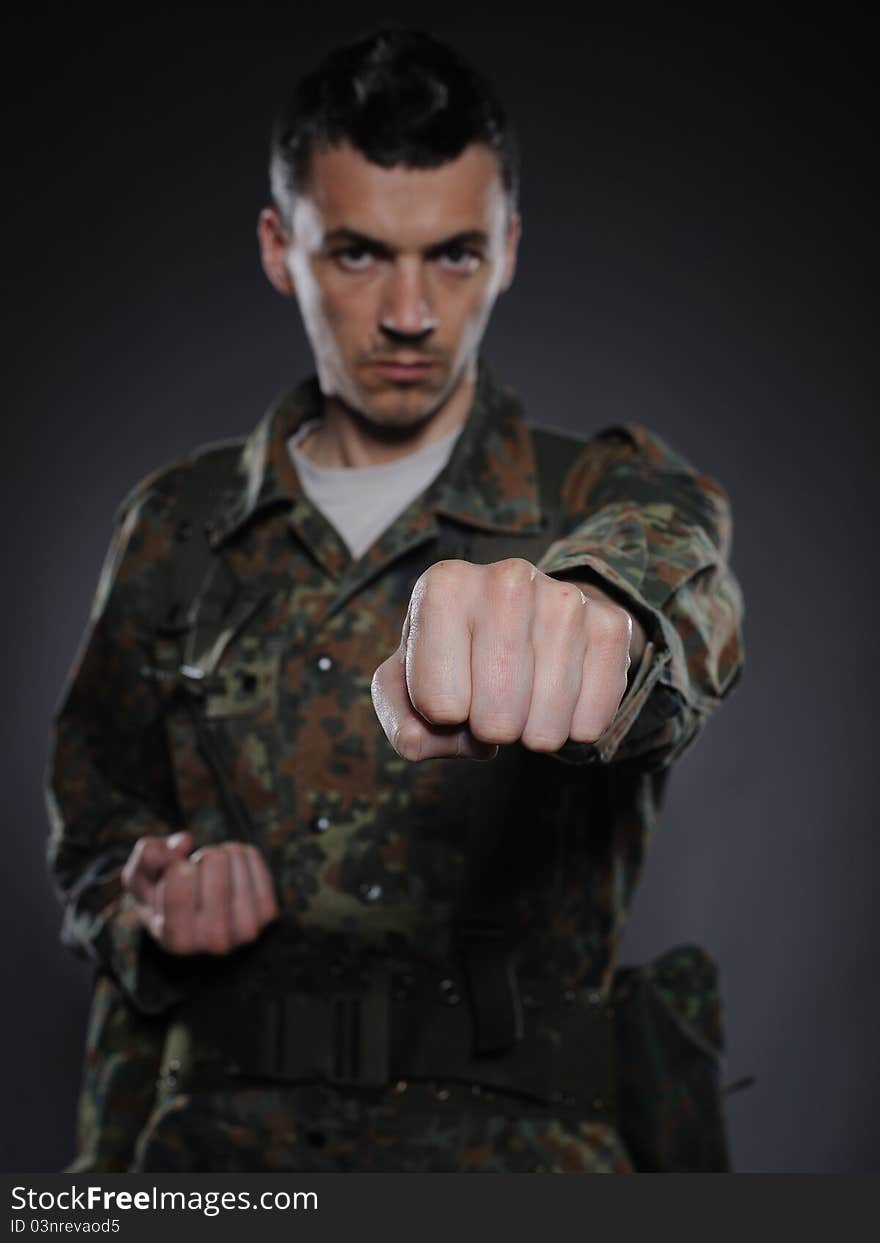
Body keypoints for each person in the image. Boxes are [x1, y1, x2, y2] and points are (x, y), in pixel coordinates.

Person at [46, 28, 745, 1174]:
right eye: (360, 255)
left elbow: (678, 586)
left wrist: (602, 619)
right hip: (215, 1162)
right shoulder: (173, 522)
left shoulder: (603, 495)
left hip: (513, 1159)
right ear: (282, 249)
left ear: (510, 248)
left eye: (456, 255)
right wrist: (149, 893)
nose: (412, 314)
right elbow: (92, 816)